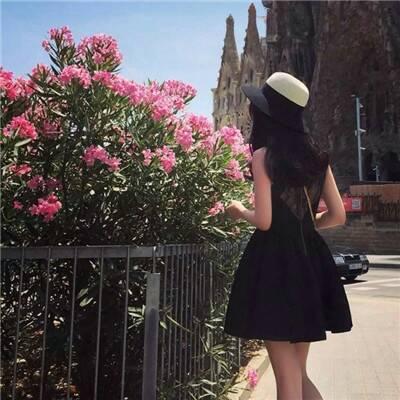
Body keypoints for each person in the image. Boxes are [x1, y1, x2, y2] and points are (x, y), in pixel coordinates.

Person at [223, 72, 353, 400]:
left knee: (287, 375)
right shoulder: (317, 158)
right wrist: (305, 226)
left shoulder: (263, 156)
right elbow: (338, 215)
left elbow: (264, 221)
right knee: (298, 372)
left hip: (275, 266)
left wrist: (238, 210)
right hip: (310, 265)